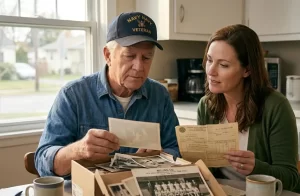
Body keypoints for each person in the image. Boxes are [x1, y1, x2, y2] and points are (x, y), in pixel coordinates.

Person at [35, 11, 180, 178]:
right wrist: (79, 149)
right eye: (130, 56)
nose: (139, 66)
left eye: (147, 57)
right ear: (108, 55)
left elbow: (175, 148)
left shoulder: (159, 95)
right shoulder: (73, 95)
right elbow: (42, 162)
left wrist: (161, 155)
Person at [197, 24, 299, 192]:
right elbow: (208, 172)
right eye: (209, 60)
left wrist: (257, 168)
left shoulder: (276, 107)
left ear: (247, 70)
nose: (211, 71)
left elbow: (291, 178)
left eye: (223, 65)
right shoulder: (206, 106)